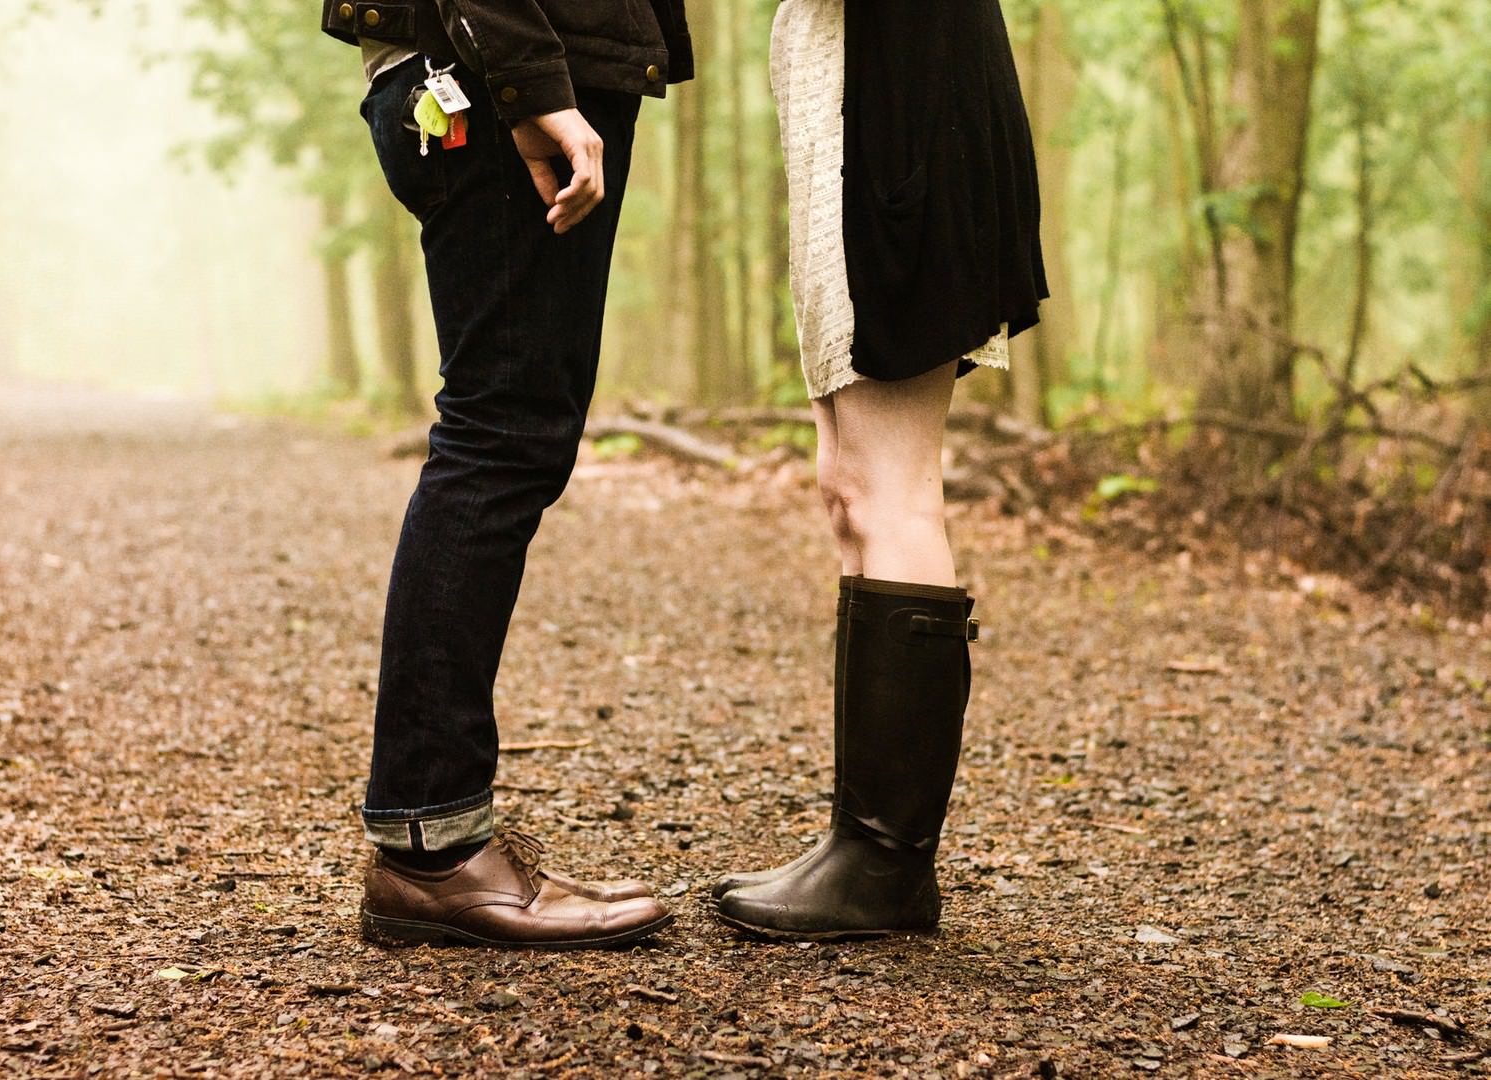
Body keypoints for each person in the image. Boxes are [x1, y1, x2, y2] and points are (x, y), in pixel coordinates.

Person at [320, 0, 692, 949]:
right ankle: (431, 851)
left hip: (493, 69)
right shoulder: (516, 77)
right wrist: (529, 80)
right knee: (499, 435)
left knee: (507, 433)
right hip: (494, 74)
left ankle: (434, 835)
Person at [712, 0, 1048, 939]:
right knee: (854, 496)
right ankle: (858, 844)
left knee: (891, 492)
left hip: (900, 126)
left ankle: (886, 866)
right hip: (874, 126)